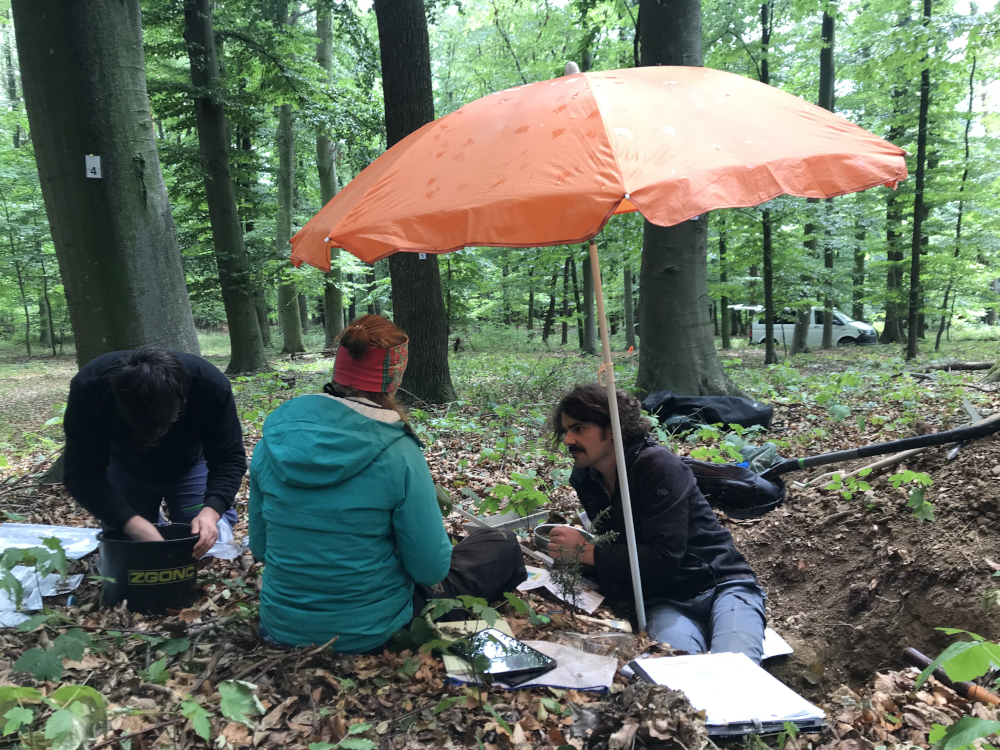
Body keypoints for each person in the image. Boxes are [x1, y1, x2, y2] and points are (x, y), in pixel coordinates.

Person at [249, 315, 525, 653]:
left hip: (280, 625)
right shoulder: (399, 453)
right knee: (502, 542)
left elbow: (261, 548)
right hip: (369, 631)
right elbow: (429, 569)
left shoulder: (273, 441)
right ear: (394, 378)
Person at [548, 384, 767, 664]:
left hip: (722, 585)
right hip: (665, 601)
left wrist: (589, 552)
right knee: (675, 676)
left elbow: (664, 556)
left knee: (736, 671)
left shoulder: (656, 465)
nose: (567, 440)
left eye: (579, 429)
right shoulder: (586, 478)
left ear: (614, 427)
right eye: (566, 430)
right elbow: (618, 543)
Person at [64, 348, 244, 559]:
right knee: (129, 548)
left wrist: (212, 510)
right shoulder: (89, 389)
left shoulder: (209, 385)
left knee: (203, 544)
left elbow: (229, 457)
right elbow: (81, 474)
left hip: (189, 462)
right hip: (124, 465)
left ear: (182, 400)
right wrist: (131, 523)